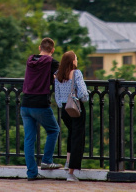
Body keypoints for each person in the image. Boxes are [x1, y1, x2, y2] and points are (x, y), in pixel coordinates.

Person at [21, 37, 62, 180]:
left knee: (29, 139)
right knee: (53, 130)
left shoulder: (30, 60)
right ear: (52, 50)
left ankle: (31, 173)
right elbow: (63, 75)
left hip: (25, 103)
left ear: (39, 48)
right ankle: (47, 161)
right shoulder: (52, 62)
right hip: (40, 103)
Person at [55, 51, 89, 182]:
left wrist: (62, 104)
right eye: (76, 58)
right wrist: (86, 97)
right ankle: (71, 172)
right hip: (76, 109)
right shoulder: (76, 73)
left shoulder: (58, 75)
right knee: (77, 138)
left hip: (65, 109)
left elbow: (57, 96)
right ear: (72, 61)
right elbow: (83, 93)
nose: (77, 60)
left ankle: (67, 162)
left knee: (71, 134)